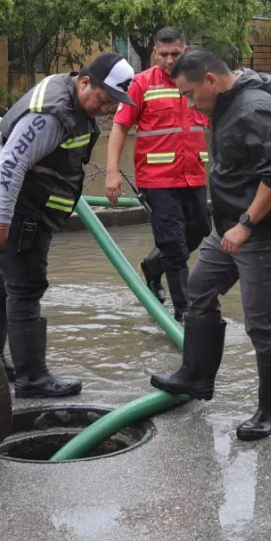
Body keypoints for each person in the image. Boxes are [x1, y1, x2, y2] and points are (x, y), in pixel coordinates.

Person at [149, 48, 271, 441]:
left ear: (211, 81)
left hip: (264, 230)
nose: (188, 103)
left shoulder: (256, 109)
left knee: (260, 322)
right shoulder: (227, 102)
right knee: (199, 290)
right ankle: (196, 377)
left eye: (188, 94)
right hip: (231, 226)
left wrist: (247, 224)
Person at [0, 52, 134, 398]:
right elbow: (12, 165)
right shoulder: (54, 115)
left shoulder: (68, 93)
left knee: (2, 285)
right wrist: (2, 222)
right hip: (16, 211)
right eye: (103, 100)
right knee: (26, 288)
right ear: (85, 81)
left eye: (110, 106)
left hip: (15, 205)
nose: (104, 110)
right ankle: (31, 378)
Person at [105, 27, 211, 322]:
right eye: (163, 54)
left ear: (185, 51)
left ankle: (153, 266)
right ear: (154, 53)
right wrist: (112, 172)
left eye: (175, 53)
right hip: (158, 180)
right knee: (174, 246)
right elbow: (119, 127)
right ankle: (184, 314)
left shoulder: (199, 83)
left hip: (194, 176)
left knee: (200, 229)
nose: (169, 60)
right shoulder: (141, 85)